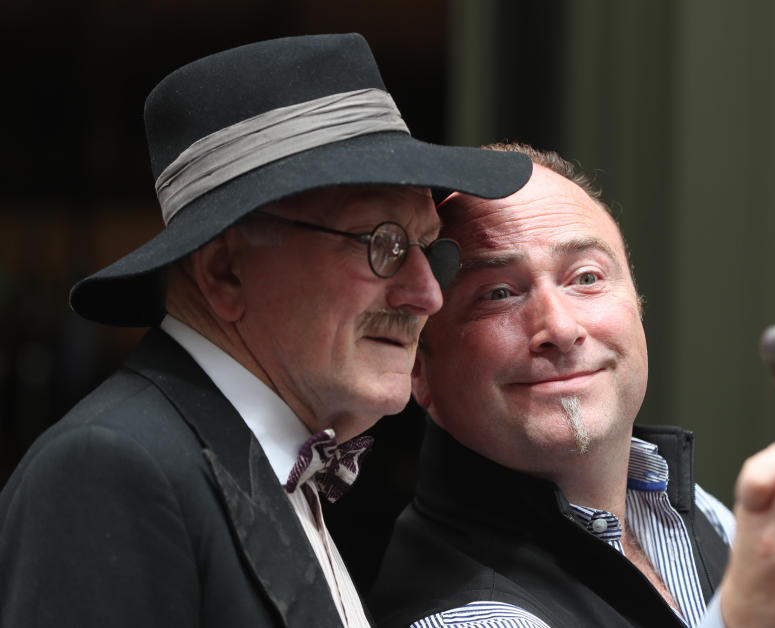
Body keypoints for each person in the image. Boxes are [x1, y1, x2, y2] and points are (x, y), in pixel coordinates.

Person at [0, 35, 531, 628]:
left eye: (427, 248)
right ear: (226, 273)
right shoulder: (113, 469)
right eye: (382, 244)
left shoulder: (261, 466)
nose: (427, 293)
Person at [367, 143, 775, 628]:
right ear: (419, 366)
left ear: (638, 307)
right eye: (498, 294)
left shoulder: (692, 509)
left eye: (587, 278)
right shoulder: (465, 616)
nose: (560, 328)